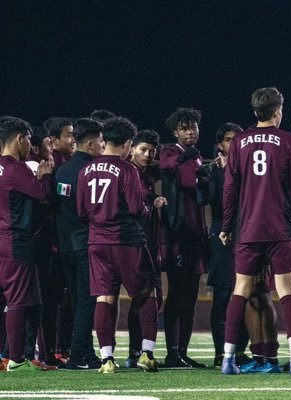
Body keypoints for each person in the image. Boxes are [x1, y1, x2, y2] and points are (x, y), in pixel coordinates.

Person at [219, 87, 291, 375]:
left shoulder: (240, 141)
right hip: (281, 227)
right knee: (286, 290)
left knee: (240, 290)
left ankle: (229, 360)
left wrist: (227, 226)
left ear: (255, 112)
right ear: (278, 110)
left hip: (249, 228)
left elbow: (230, 188)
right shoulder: (289, 140)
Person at [77, 117, 159, 373]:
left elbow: (81, 210)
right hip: (126, 240)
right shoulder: (127, 169)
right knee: (147, 293)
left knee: (105, 297)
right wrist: (148, 208)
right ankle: (146, 353)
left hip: (97, 242)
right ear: (126, 144)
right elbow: (136, 208)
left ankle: (106, 359)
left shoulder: (85, 170)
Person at [0, 117, 53, 371]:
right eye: (28, 139)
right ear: (20, 138)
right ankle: (15, 359)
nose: (30, 145)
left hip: (3, 240)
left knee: (26, 299)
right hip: (15, 241)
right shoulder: (15, 168)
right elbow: (42, 194)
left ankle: (16, 356)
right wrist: (44, 176)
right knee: (19, 301)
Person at [196, 123, 251, 368]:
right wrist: (206, 177)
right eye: (229, 139)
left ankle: (241, 350)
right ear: (220, 145)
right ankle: (221, 351)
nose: (234, 143)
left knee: (249, 295)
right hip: (222, 235)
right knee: (222, 296)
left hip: (248, 233)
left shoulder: (251, 169)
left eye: (238, 139)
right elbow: (203, 199)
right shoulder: (213, 170)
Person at [160, 107, 208, 368]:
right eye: (185, 127)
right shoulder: (171, 151)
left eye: (194, 126)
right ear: (176, 131)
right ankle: (171, 352)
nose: (191, 131)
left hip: (195, 235)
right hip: (178, 234)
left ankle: (183, 352)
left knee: (190, 296)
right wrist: (186, 159)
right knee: (176, 294)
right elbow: (166, 166)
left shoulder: (197, 157)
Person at [55, 118, 105, 370]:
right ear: (89, 143)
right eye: (100, 141)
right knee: (87, 301)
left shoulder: (62, 170)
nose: (103, 145)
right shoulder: (92, 171)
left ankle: (86, 352)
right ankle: (77, 356)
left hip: (66, 245)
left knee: (78, 301)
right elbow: (91, 210)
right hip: (87, 243)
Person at [126, 129, 167, 368]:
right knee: (144, 295)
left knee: (148, 296)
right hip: (131, 243)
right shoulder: (127, 172)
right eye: (143, 149)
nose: (148, 154)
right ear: (131, 148)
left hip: (147, 242)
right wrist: (152, 199)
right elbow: (138, 195)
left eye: (152, 151)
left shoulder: (146, 173)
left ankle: (137, 351)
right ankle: (137, 352)